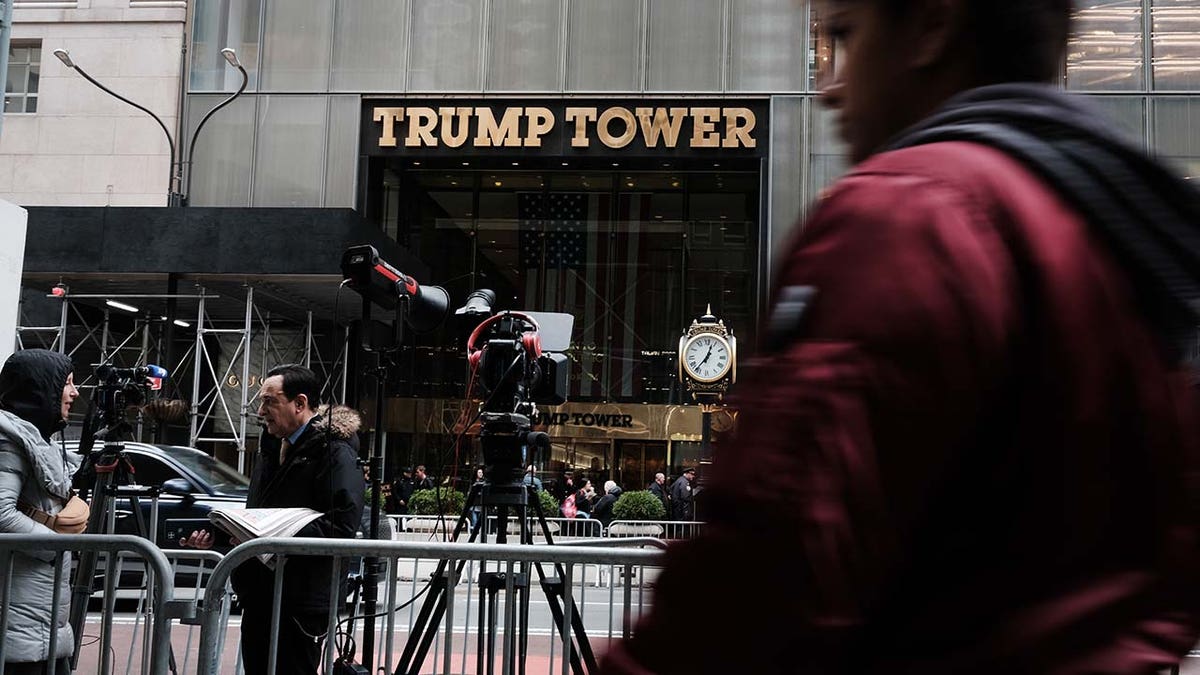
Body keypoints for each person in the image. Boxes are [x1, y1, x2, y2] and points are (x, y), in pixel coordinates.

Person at [601, 1, 1200, 673]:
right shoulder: (1128, 252)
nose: (828, 86)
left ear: (933, 26)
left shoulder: (907, 216)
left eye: (844, 38)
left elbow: (764, 567)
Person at [185, 364, 364, 675]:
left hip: (300, 599)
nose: (261, 410)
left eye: (270, 401)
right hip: (260, 594)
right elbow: (257, 514)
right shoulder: (271, 449)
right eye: (261, 400)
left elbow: (341, 525)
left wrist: (273, 536)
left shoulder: (334, 452)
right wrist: (225, 534)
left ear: (300, 403)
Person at [0, 350, 80, 675]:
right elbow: (1, 513)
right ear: (41, 389)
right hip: (18, 623)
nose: (75, 393)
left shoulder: (36, 439)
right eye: (68, 384)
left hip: (40, 622)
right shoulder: (8, 439)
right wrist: (55, 547)